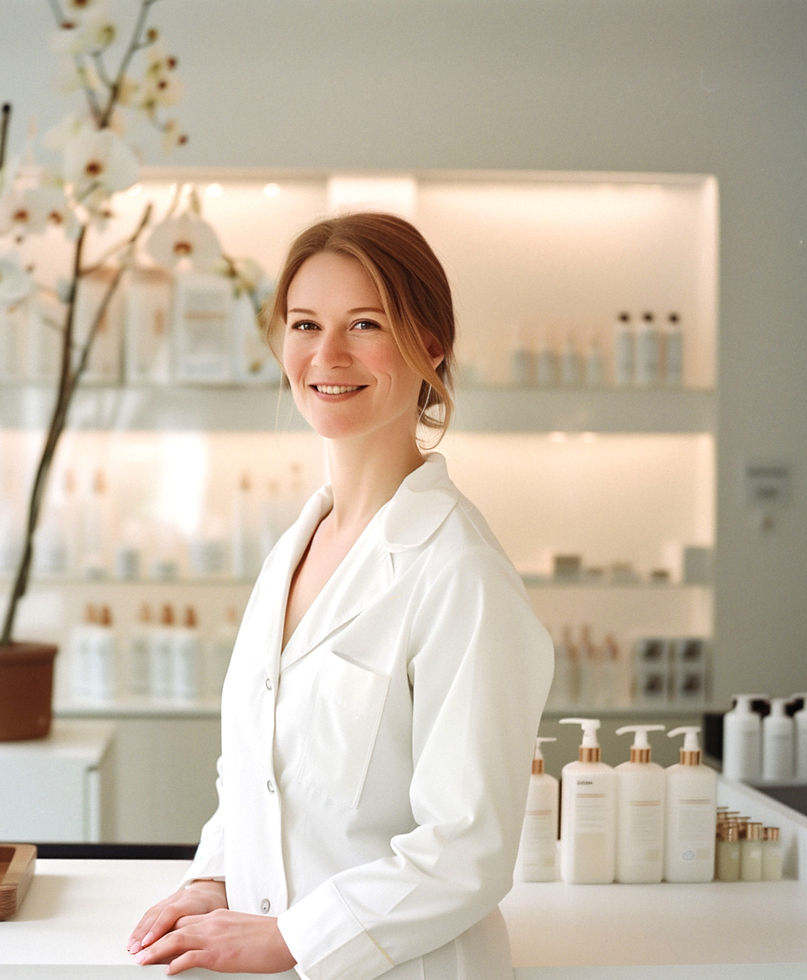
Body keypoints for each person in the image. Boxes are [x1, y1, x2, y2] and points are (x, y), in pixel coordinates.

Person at [127, 212, 554, 978]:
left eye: (365, 324)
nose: (326, 355)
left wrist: (294, 939)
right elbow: (259, 774)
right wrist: (212, 878)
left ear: (430, 344)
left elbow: (470, 848)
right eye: (304, 324)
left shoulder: (459, 571)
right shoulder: (295, 549)